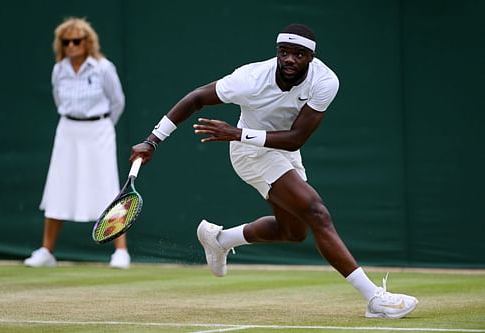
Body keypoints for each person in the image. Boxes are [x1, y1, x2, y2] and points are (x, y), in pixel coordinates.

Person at [130, 23, 418, 318]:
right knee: (316, 212)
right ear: (277, 53)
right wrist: (152, 141)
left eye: (299, 54)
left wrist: (237, 133)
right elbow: (197, 98)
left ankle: (220, 239)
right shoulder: (250, 79)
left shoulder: (325, 81)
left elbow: (297, 138)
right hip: (250, 154)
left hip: (282, 147)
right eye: (284, 52)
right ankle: (375, 299)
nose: (290, 59)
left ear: (311, 58)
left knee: (292, 231)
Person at [24, 17, 131, 269]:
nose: (71, 45)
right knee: (57, 187)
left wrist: (100, 126)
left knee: (107, 188)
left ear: (87, 42)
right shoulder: (59, 69)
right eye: (66, 41)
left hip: (99, 131)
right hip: (67, 131)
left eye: (77, 41)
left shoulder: (104, 68)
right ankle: (47, 251)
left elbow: (118, 102)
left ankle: (121, 252)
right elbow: (58, 99)